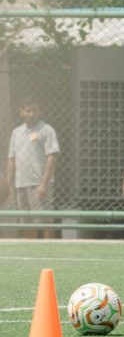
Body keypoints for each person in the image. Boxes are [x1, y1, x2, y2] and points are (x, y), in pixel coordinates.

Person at [7, 98, 59, 238]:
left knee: (46, 222)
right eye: (27, 111)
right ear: (21, 112)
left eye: (33, 111)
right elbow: (11, 159)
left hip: (38, 185)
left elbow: (52, 157)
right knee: (27, 223)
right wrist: (9, 183)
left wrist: (44, 184)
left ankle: (51, 252)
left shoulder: (47, 130)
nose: (30, 114)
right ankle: (31, 254)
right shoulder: (16, 132)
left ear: (39, 111)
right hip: (20, 184)